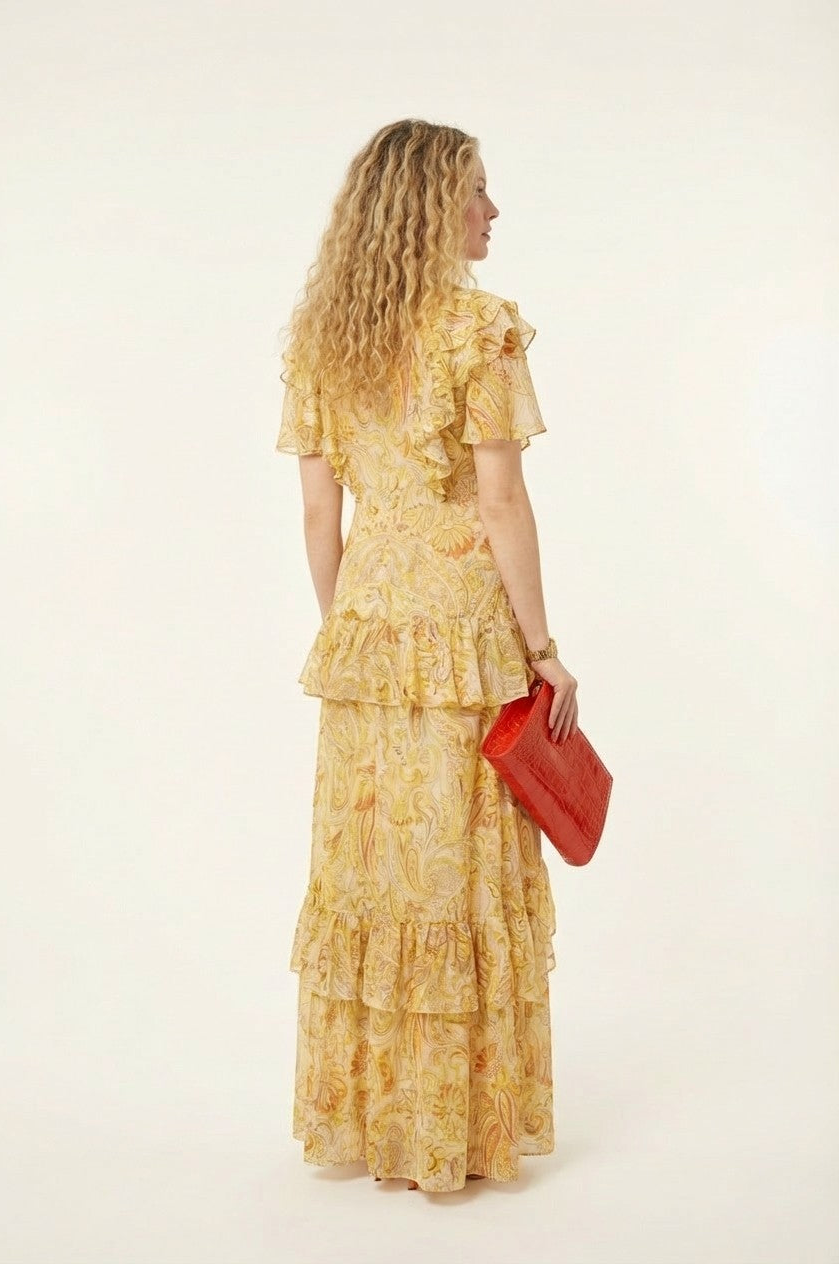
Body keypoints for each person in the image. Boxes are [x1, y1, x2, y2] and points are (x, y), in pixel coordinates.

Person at [274, 118, 579, 1194]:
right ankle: (454, 1128)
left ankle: (379, 1121)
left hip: (362, 631)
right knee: (458, 862)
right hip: (462, 631)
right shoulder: (478, 331)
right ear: (430, 206)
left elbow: (320, 516)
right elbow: (501, 502)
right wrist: (542, 649)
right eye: (477, 190)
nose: (493, 210)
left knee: (377, 868)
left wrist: (351, 629)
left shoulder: (325, 339)